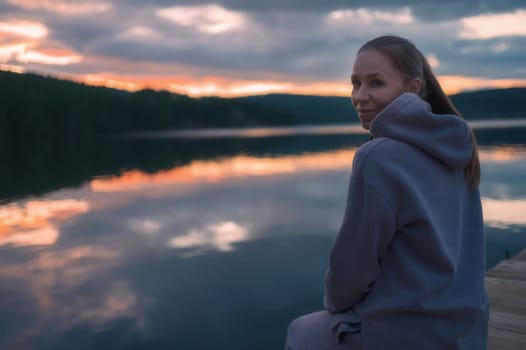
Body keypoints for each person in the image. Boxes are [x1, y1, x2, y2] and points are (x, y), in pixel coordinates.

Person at [284, 35, 488, 349]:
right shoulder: (458, 148)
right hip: (467, 329)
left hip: (409, 333)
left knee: (301, 332)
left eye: (376, 83)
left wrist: (337, 304)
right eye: (355, 83)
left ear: (413, 88)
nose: (359, 97)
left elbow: (351, 270)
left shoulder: (377, 157)